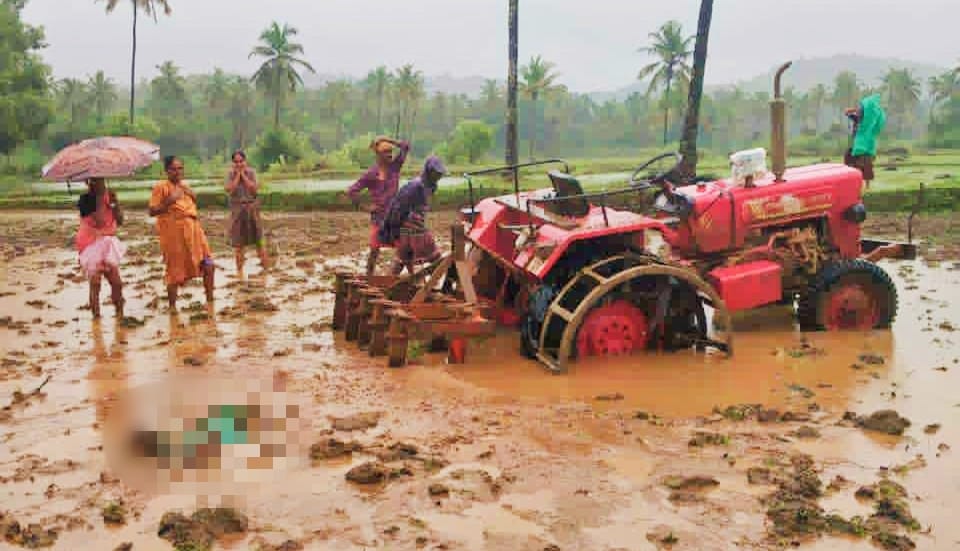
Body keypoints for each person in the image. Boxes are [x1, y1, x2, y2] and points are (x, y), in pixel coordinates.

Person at [148, 156, 215, 311]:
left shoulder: (185, 187)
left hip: (194, 231)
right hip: (174, 235)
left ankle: (210, 301)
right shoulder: (161, 187)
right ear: (166, 171)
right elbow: (152, 211)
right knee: (175, 270)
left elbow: (191, 205)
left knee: (208, 264)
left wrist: (192, 195)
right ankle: (172, 308)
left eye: (180, 168)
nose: (177, 172)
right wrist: (169, 201)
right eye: (173, 169)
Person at [347, 136, 410, 276]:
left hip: (395, 218)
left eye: (391, 152)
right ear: (378, 155)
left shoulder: (395, 167)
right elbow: (351, 191)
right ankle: (369, 277)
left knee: (404, 250)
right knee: (374, 250)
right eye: (386, 152)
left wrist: (387, 139)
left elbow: (406, 146)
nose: (390, 155)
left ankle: (393, 277)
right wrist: (365, 208)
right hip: (379, 218)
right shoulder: (371, 174)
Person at [378, 156, 447, 276]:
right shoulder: (415, 186)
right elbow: (397, 207)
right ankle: (437, 282)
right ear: (429, 171)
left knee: (402, 260)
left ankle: (390, 282)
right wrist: (393, 228)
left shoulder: (432, 187)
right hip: (410, 229)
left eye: (440, 174)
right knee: (435, 258)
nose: (439, 176)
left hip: (416, 227)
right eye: (436, 173)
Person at [76, 177, 125, 319]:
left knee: (116, 282)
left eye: (101, 180)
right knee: (95, 282)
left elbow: (120, 220)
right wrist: (100, 199)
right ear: (89, 183)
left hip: (107, 241)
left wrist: (115, 204)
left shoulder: (110, 197)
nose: (100, 184)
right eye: (96, 181)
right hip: (90, 242)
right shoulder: (85, 200)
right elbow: (99, 220)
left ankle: (120, 315)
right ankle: (96, 318)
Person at [225, 150, 269, 278]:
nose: (239, 164)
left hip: (252, 209)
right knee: (239, 244)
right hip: (237, 211)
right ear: (233, 163)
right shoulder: (230, 174)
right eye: (236, 162)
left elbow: (254, 189)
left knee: (259, 241)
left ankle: (266, 271)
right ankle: (240, 273)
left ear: (245, 161)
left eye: (241, 161)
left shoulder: (252, 173)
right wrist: (237, 176)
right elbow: (229, 189)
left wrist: (243, 176)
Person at [844, 93, 886, 186]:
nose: (859, 111)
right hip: (857, 147)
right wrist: (855, 109)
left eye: (861, 110)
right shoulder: (858, 119)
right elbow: (846, 112)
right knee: (854, 164)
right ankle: (857, 184)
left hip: (865, 148)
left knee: (866, 166)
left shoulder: (868, 124)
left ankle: (866, 185)